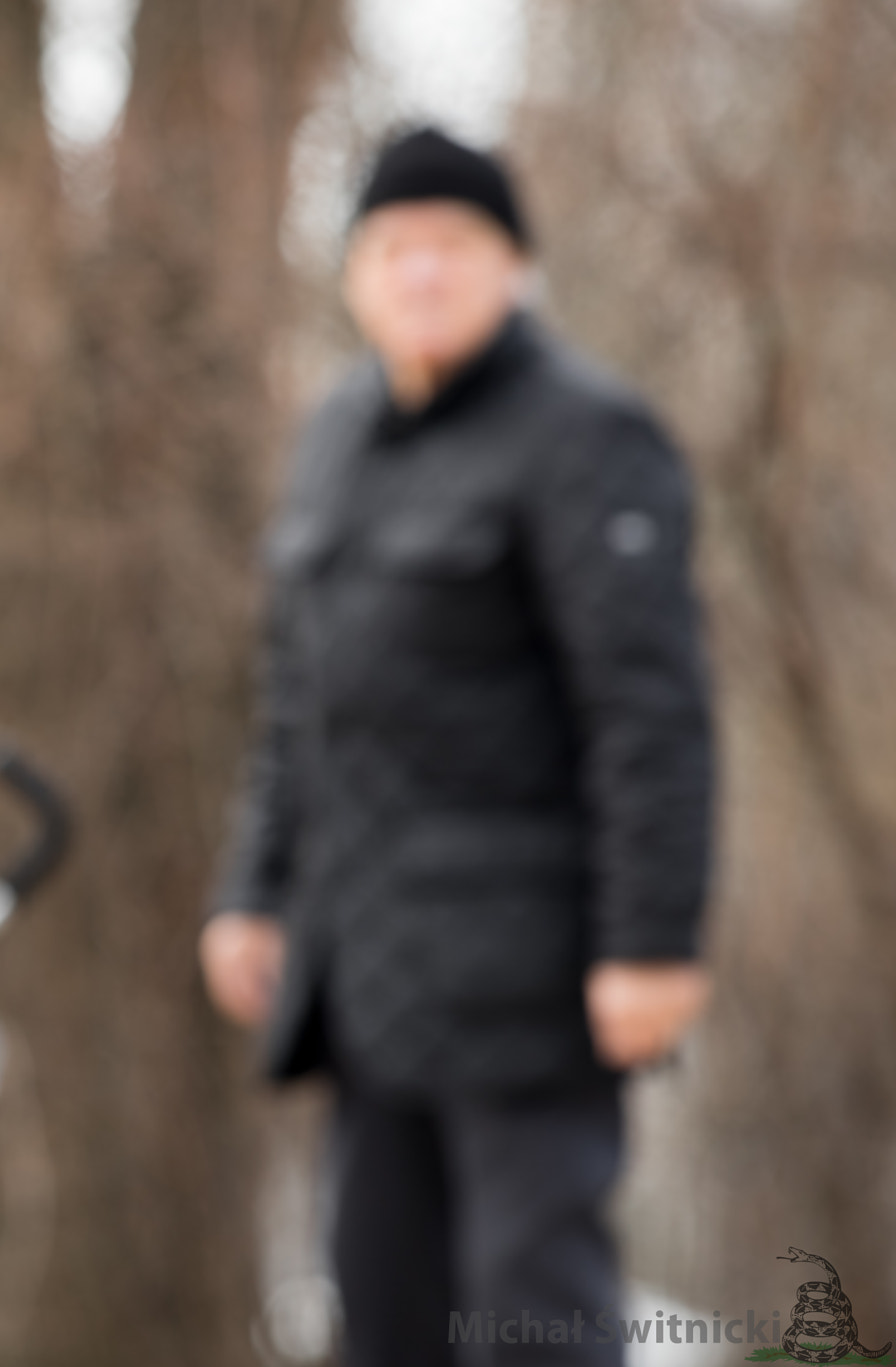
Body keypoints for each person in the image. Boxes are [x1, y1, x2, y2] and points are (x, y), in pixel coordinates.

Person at [201, 127, 714, 1367]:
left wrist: (650, 942)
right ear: (352, 274)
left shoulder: (587, 435)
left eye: (450, 246)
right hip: (366, 977)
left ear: (514, 267)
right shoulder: (332, 438)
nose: (418, 273)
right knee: (382, 1314)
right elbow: (296, 705)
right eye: (391, 247)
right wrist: (250, 893)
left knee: (530, 1316)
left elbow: (649, 708)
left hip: (531, 985)